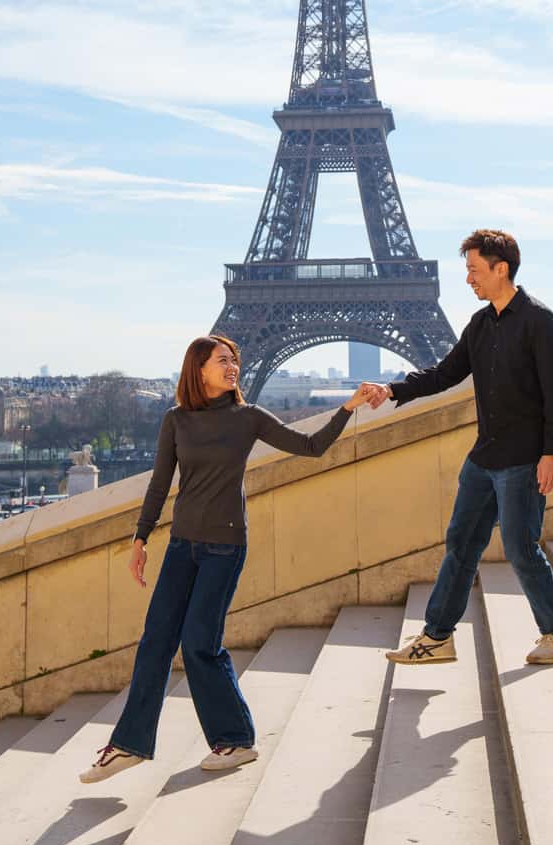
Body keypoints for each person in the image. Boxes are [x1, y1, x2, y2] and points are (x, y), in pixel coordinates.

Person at [80, 334, 375, 783]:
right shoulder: (175, 420)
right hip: (182, 546)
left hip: (224, 547)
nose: (232, 366)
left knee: (200, 643)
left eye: (234, 360)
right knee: (156, 641)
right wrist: (140, 539)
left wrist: (348, 407)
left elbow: (311, 447)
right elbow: (160, 484)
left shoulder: (247, 417)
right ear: (198, 369)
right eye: (222, 360)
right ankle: (129, 744)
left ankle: (236, 740)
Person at [366, 230, 553, 668]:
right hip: (484, 458)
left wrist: (551, 453)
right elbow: (445, 373)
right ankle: (438, 636)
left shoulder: (540, 321)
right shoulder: (480, 325)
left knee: (520, 547)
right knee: (461, 543)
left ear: (501, 268)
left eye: (474, 269)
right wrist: (391, 389)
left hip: (524, 459)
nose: (468, 279)